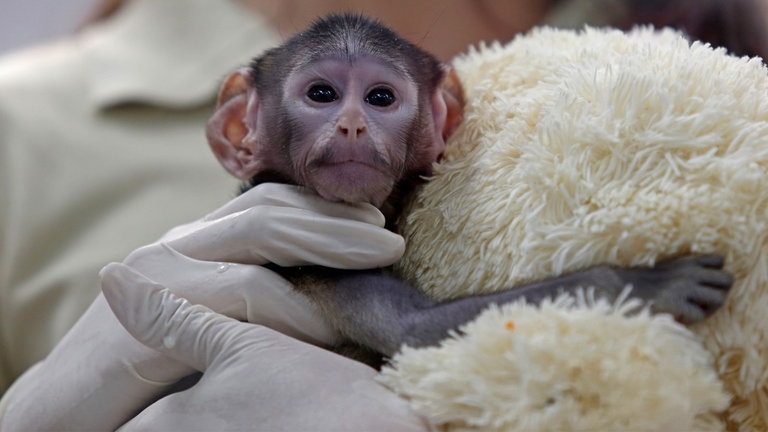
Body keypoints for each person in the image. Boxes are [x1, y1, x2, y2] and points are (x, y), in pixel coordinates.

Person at [1, 0, 766, 429]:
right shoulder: (25, 125)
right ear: (242, 131)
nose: (354, 127)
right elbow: (408, 327)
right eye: (322, 96)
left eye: (381, 100)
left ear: (441, 121)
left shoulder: (715, 71)